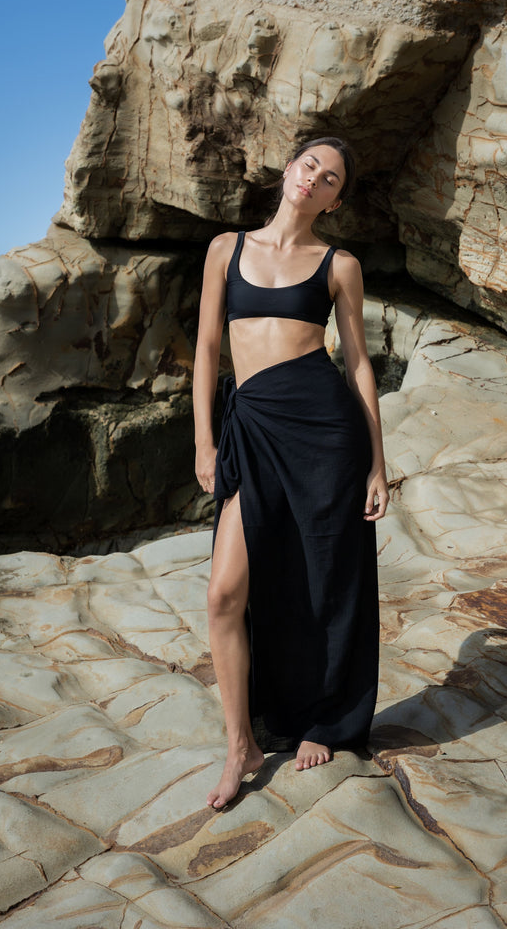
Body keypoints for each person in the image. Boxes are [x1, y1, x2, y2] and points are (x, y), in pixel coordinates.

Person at [193, 136, 389, 810]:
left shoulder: (339, 265)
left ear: (336, 198)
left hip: (323, 434)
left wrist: (376, 463)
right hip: (251, 429)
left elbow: (359, 364)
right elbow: (207, 350)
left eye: (330, 176)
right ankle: (239, 746)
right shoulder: (227, 248)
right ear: (289, 170)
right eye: (309, 164)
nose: (314, 178)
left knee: (323, 577)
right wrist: (203, 442)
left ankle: (322, 718)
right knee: (225, 594)